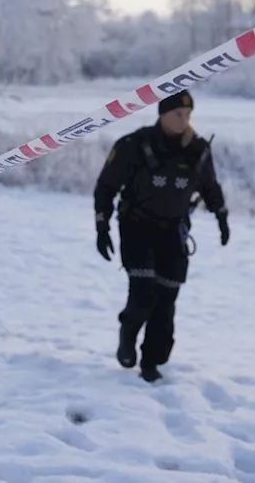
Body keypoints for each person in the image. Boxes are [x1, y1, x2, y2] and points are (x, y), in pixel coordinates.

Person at [92, 89, 230, 382]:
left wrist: (221, 216)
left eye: (188, 115)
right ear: (162, 114)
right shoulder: (133, 145)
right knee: (143, 295)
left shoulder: (198, 149)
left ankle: (151, 363)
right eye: (177, 114)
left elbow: (210, 186)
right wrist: (102, 226)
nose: (184, 120)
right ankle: (128, 332)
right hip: (137, 227)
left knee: (166, 302)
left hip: (173, 231)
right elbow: (106, 187)